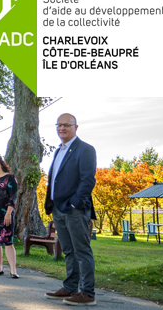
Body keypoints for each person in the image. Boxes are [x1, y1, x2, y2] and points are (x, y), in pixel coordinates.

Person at [44, 113, 97, 306]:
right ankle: (70, 287)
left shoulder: (85, 149)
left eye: (66, 125)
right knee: (68, 250)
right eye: (58, 125)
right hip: (58, 208)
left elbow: (88, 180)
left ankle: (88, 293)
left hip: (75, 209)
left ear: (76, 127)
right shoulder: (59, 150)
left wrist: (75, 203)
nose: (62, 128)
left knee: (81, 250)